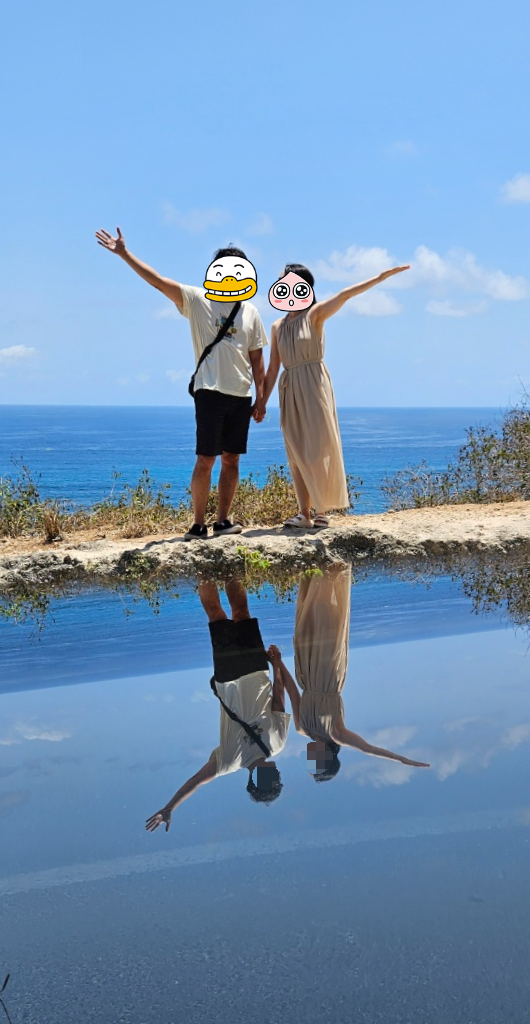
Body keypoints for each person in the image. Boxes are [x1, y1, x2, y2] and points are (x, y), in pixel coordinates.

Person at [95, 226, 268, 539]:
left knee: (232, 459)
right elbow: (158, 282)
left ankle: (223, 521)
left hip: (241, 394)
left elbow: (257, 359)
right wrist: (124, 254)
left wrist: (262, 399)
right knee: (206, 459)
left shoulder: (251, 311)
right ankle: (198, 524)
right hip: (210, 391)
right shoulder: (197, 299)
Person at [263, 262, 409, 529]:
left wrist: (379, 277)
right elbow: (273, 367)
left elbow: (344, 295)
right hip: (289, 387)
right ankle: (304, 514)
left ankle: (321, 512)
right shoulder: (276, 326)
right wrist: (261, 401)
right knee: (296, 451)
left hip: (314, 383)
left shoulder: (315, 314)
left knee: (317, 448)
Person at [145, 579, 292, 833]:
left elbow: (196, 781)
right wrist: (277, 665)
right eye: (277, 779)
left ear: (256, 780)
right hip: (258, 671)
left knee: (217, 617)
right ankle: (229, 567)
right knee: (242, 612)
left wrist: (170, 807)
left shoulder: (230, 762)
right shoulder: (277, 745)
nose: (275, 775)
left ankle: (206, 573)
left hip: (228, 678)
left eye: (271, 780)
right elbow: (278, 700)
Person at [272, 563, 430, 781]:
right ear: (326, 757)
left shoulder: (302, 729)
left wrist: (277, 664)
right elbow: (367, 749)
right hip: (328, 674)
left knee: (306, 620)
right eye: (314, 763)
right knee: (325, 616)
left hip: (306, 673)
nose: (309, 759)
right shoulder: (336, 734)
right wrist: (402, 760)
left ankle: (313, 565)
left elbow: (291, 692)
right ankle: (330, 567)